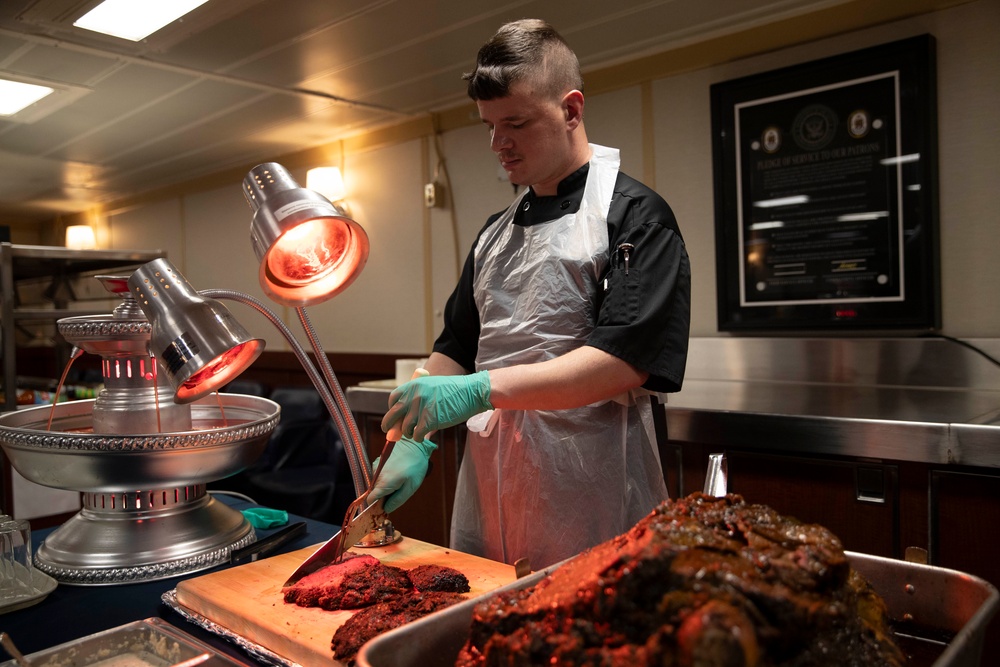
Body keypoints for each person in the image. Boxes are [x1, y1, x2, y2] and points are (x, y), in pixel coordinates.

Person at [371, 18, 691, 569]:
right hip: (493, 491)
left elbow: (622, 362)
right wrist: (414, 441)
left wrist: (480, 390)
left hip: (595, 492)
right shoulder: (495, 233)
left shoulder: (636, 217)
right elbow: (457, 345)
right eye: (489, 126)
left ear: (571, 110)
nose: (498, 144)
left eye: (514, 123)